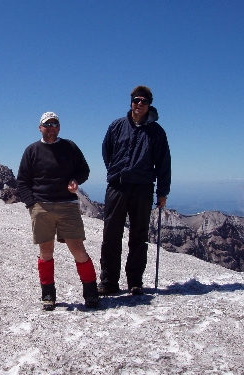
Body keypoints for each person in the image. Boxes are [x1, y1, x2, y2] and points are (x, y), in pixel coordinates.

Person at [17, 111, 99, 311]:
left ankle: (91, 292)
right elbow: (22, 182)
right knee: (46, 252)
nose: (51, 127)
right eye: (47, 124)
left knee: (78, 250)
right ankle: (48, 294)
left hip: (67, 206)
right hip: (41, 207)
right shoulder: (32, 150)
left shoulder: (70, 147)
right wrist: (32, 205)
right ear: (40, 127)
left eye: (55, 123)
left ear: (59, 127)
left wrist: (76, 180)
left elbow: (84, 170)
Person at [99, 86, 171, 296]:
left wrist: (162, 192)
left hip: (143, 188)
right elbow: (107, 151)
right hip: (117, 186)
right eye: (136, 100)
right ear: (131, 102)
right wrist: (115, 171)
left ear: (149, 104)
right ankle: (109, 282)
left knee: (139, 235)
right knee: (111, 234)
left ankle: (135, 282)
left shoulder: (156, 132)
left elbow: (163, 163)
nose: (139, 104)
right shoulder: (117, 126)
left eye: (144, 101)